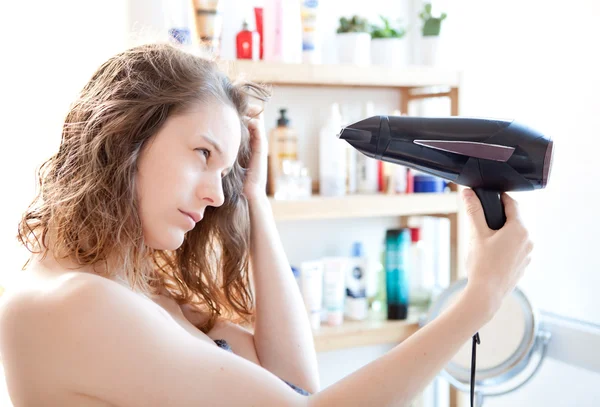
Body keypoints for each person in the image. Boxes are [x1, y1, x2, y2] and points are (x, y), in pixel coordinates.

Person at [0, 42, 533, 407]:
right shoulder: (73, 304)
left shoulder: (140, 290)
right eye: (202, 152)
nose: (215, 193)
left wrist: (256, 198)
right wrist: (480, 300)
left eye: (226, 171)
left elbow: (295, 383)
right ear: (125, 135)